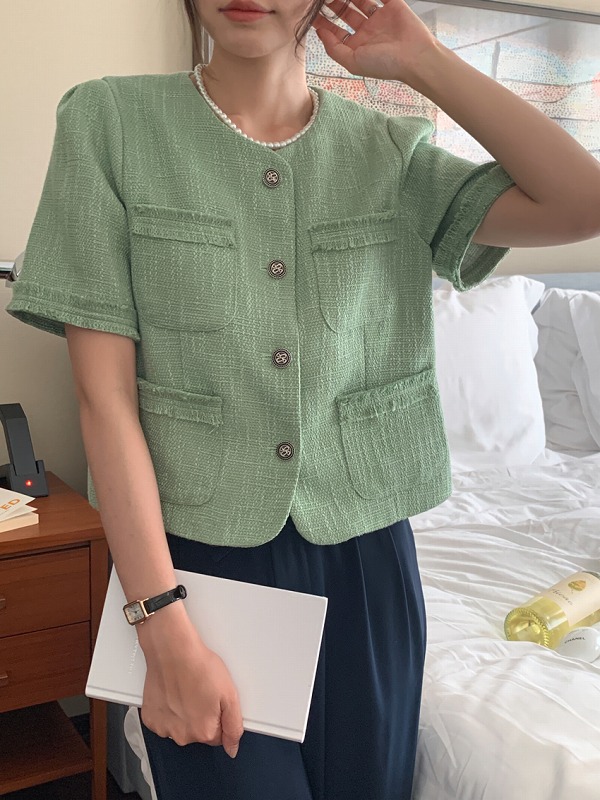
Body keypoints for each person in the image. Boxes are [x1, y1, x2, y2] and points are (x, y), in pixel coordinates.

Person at [6, 0, 600, 797]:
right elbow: (104, 401)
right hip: (197, 564)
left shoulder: (391, 152)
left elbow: (583, 201)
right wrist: (160, 622)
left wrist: (424, 62)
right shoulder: (110, 123)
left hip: (370, 563)